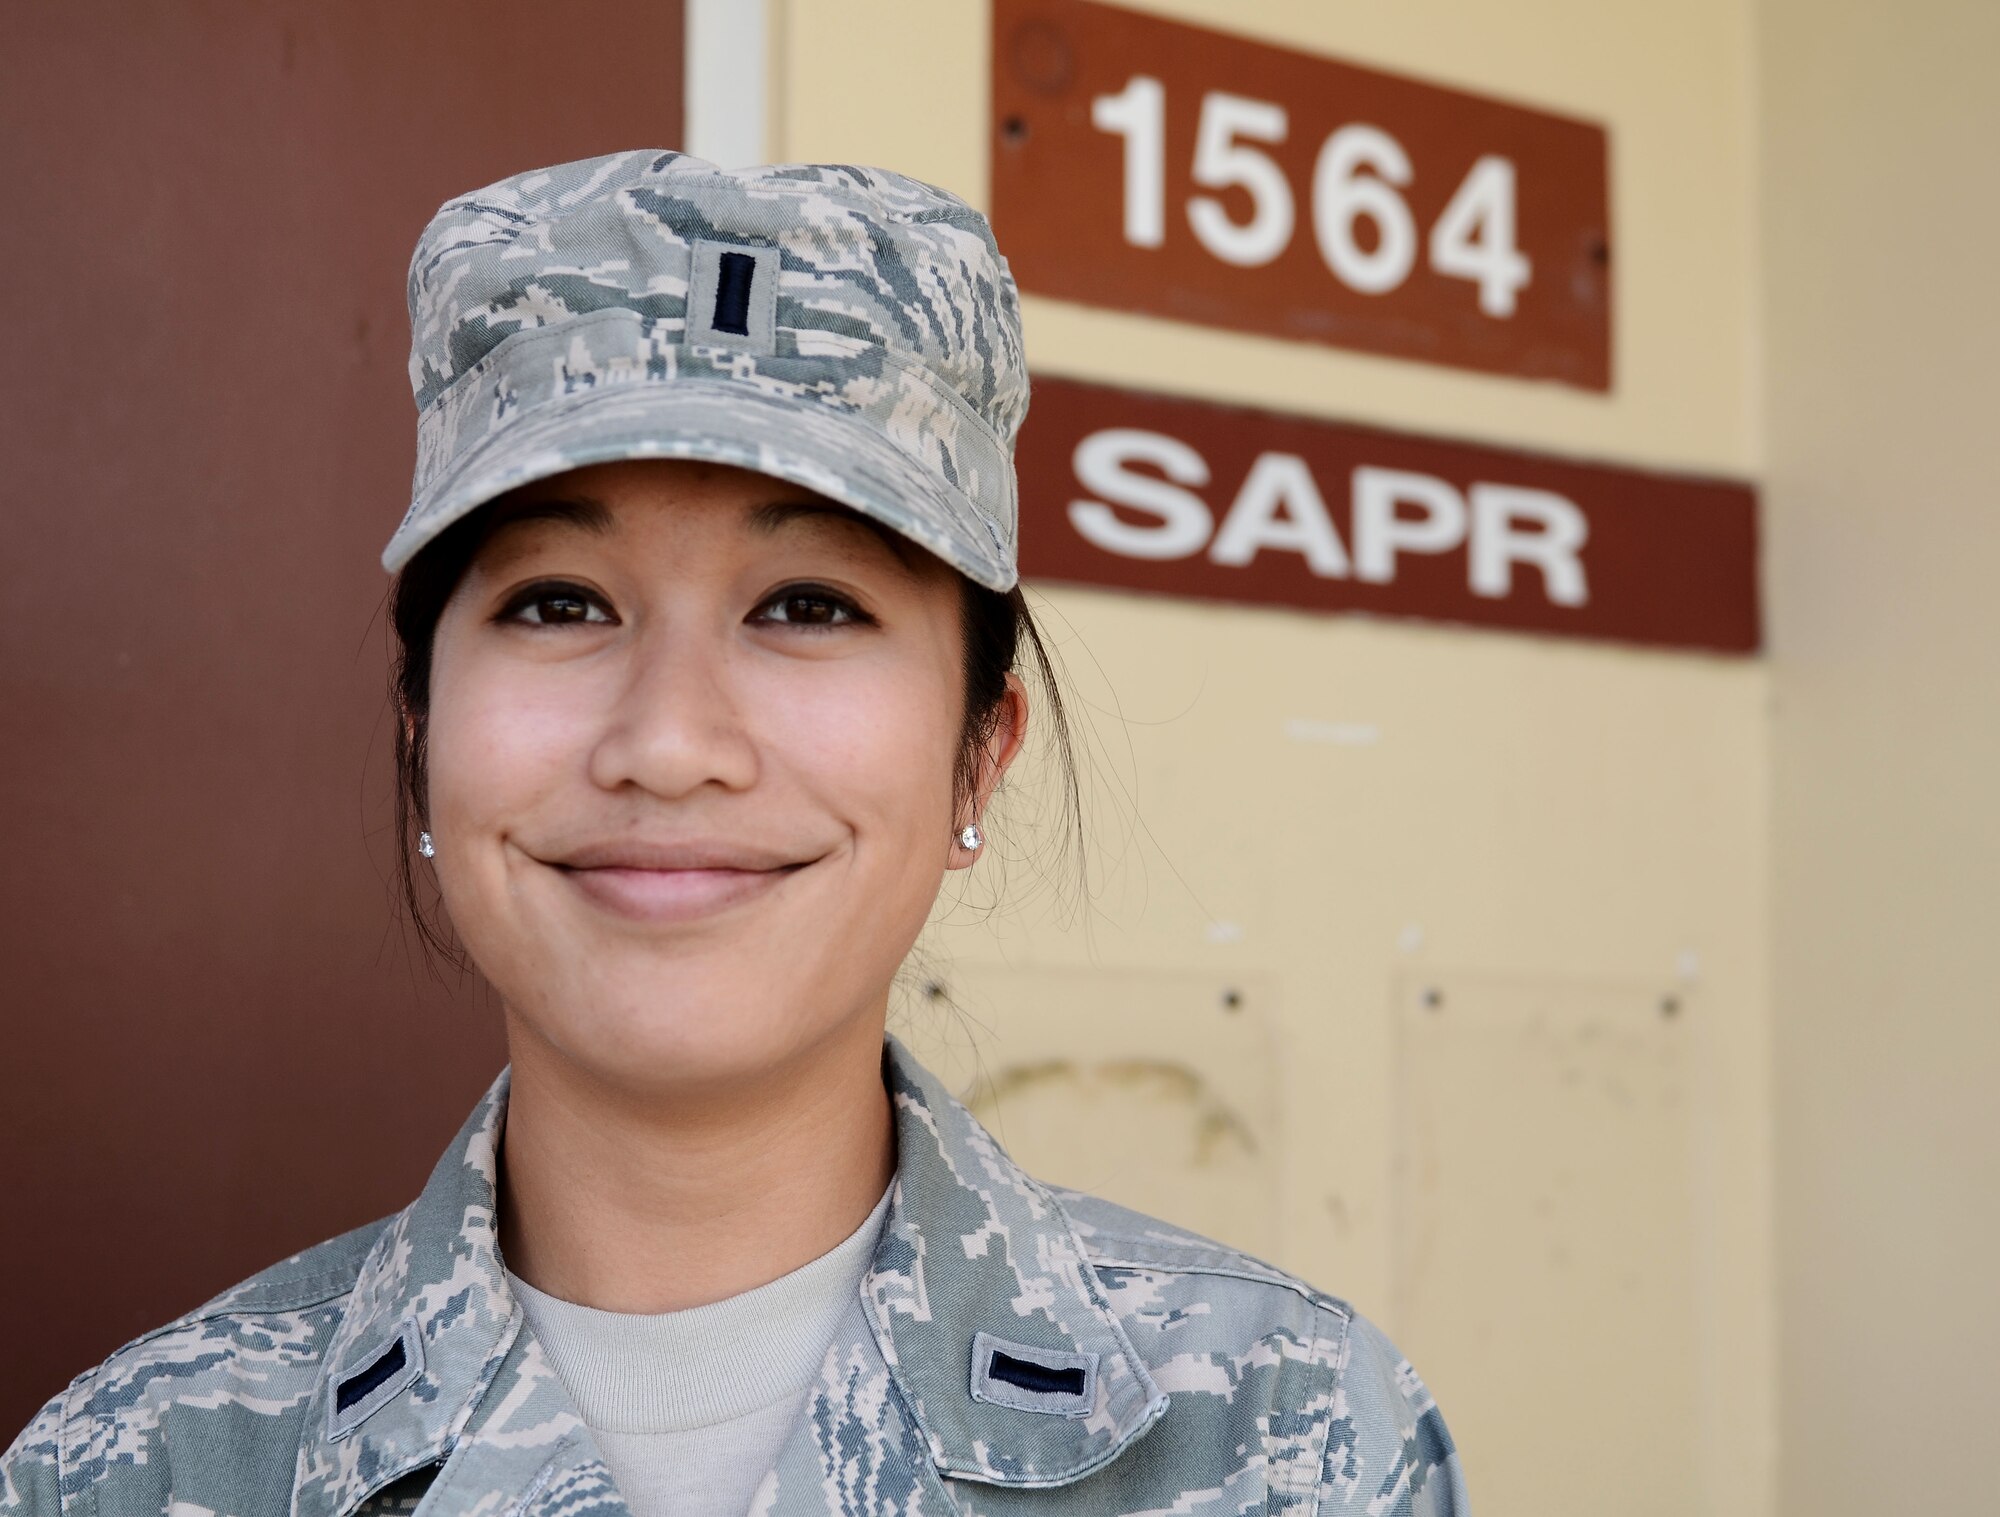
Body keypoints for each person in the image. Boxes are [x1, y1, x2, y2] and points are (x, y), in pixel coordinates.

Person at [0, 151, 1468, 1517]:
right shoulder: (133, 1471)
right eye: (558, 601)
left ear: (979, 752)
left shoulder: (1290, 1441)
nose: (671, 743)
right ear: (420, 733)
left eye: (809, 605)